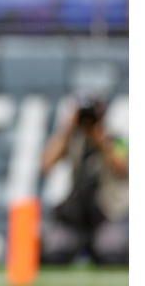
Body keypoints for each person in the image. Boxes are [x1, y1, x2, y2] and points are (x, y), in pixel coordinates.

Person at [40, 93, 129, 265]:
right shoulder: (72, 139)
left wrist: (100, 138)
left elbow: (121, 168)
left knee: (113, 256)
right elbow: (45, 165)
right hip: (73, 217)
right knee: (54, 255)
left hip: (104, 216)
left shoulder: (116, 140)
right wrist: (68, 128)